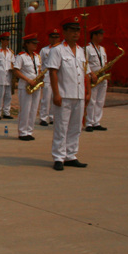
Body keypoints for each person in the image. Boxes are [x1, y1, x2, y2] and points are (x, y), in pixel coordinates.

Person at [46, 15, 91, 171]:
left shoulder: (81, 51)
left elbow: (85, 73)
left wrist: (88, 92)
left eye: (77, 30)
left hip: (78, 94)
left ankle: (71, 155)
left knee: (76, 127)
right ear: (64, 32)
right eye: (72, 30)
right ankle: (59, 157)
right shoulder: (57, 50)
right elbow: (53, 72)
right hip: (64, 95)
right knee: (61, 127)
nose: (76, 33)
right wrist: (56, 94)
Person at [13, 33, 42, 141]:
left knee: (33, 109)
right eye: (33, 43)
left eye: (36, 43)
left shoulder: (37, 56)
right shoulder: (21, 56)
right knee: (25, 109)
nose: (35, 45)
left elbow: (38, 69)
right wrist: (28, 80)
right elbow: (16, 71)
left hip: (36, 85)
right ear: (27, 44)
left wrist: (39, 78)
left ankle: (29, 131)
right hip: (26, 86)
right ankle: (22, 132)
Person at [85, 24, 108, 132]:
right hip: (93, 78)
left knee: (100, 101)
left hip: (102, 77)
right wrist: (91, 74)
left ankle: (96, 122)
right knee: (92, 100)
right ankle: (89, 122)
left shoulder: (102, 49)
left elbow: (104, 62)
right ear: (94, 35)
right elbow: (85, 63)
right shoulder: (87, 48)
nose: (102, 37)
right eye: (100, 35)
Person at [38, 28, 60, 126]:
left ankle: (53, 117)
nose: (54, 39)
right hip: (47, 75)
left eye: (56, 37)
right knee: (46, 98)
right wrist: (40, 74)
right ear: (49, 38)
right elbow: (40, 63)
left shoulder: (61, 50)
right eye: (52, 37)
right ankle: (43, 117)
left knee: (55, 96)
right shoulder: (44, 50)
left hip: (58, 75)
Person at [0, 32, 15, 119]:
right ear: (1, 41)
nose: (7, 42)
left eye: (8, 40)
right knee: (0, 95)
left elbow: (13, 63)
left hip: (8, 75)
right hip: (0, 75)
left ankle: (6, 112)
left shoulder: (10, 52)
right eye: (5, 40)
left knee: (8, 95)